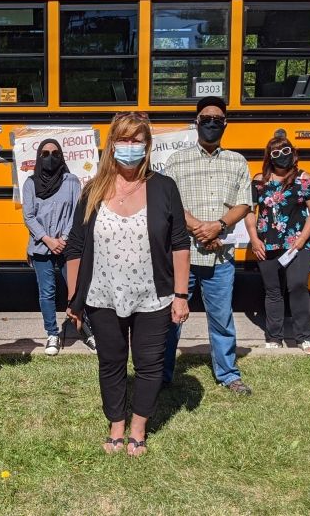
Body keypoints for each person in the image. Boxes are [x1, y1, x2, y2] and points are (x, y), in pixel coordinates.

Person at [64, 112, 190, 457]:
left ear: (147, 146)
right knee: (111, 362)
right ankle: (115, 425)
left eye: (137, 140)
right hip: (102, 295)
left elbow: (179, 242)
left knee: (149, 364)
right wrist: (74, 298)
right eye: (124, 139)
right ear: (111, 144)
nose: (130, 147)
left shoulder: (164, 188)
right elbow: (75, 247)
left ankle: (138, 428)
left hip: (154, 296)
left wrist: (180, 295)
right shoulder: (93, 190)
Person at [162, 96, 253, 395]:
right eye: (206, 119)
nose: (211, 124)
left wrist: (219, 227)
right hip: (182, 254)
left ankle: (228, 374)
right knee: (173, 316)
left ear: (225, 124)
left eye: (217, 120)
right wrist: (202, 229)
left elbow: (243, 204)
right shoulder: (177, 160)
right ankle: (162, 373)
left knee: (222, 317)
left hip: (221, 256)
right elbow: (170, 203)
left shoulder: (237, 161)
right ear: (197, 123)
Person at [245, 135, 310, 353]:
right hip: (267, 243)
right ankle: (274, 337)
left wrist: (301, 240)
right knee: (273, 291)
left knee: (297, 285)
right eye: (276, 153)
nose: (282, 157)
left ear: (293, 153)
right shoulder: (259, 181)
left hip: (298, 243)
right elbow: (250, 211)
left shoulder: (305, 179)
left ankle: (304, 336)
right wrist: (254, 238)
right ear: (269, 157)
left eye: (286, 151)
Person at [22, 138, 95, 355]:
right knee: (47, 292)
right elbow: (29, 216)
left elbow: (76, 211)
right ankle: (52, 334)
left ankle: (87, 331)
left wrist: (62, 238)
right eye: (45, 154)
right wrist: (48, 239)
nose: (50, 158)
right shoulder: (30, 183)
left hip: (68, 246)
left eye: (55, 153)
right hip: (40, 247)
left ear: (61, 156)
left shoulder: (71, 181)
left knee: (77, 290)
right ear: (38, 157)